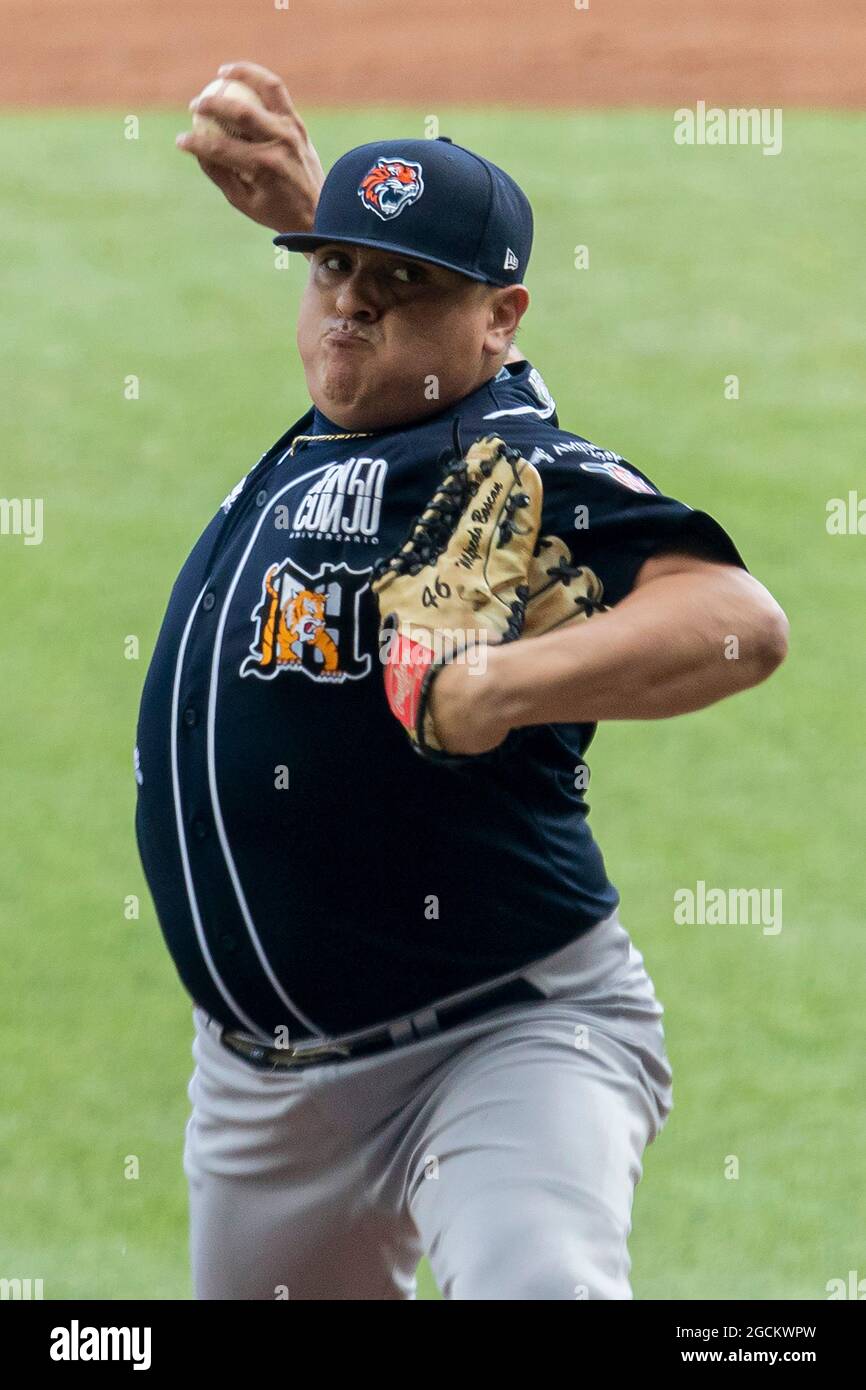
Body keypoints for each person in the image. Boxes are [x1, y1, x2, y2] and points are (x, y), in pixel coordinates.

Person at [137, 65, 789, 1300]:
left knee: (535, 1287)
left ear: (500, 320)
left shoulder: (518, 467)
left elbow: (736, 622)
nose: (350, 309)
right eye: (331, 269)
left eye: (405, 286)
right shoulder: (352, 424)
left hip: (506, 1032)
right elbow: (363, 315)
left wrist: (499, 682)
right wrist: (331, 211)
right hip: (262, 1095)